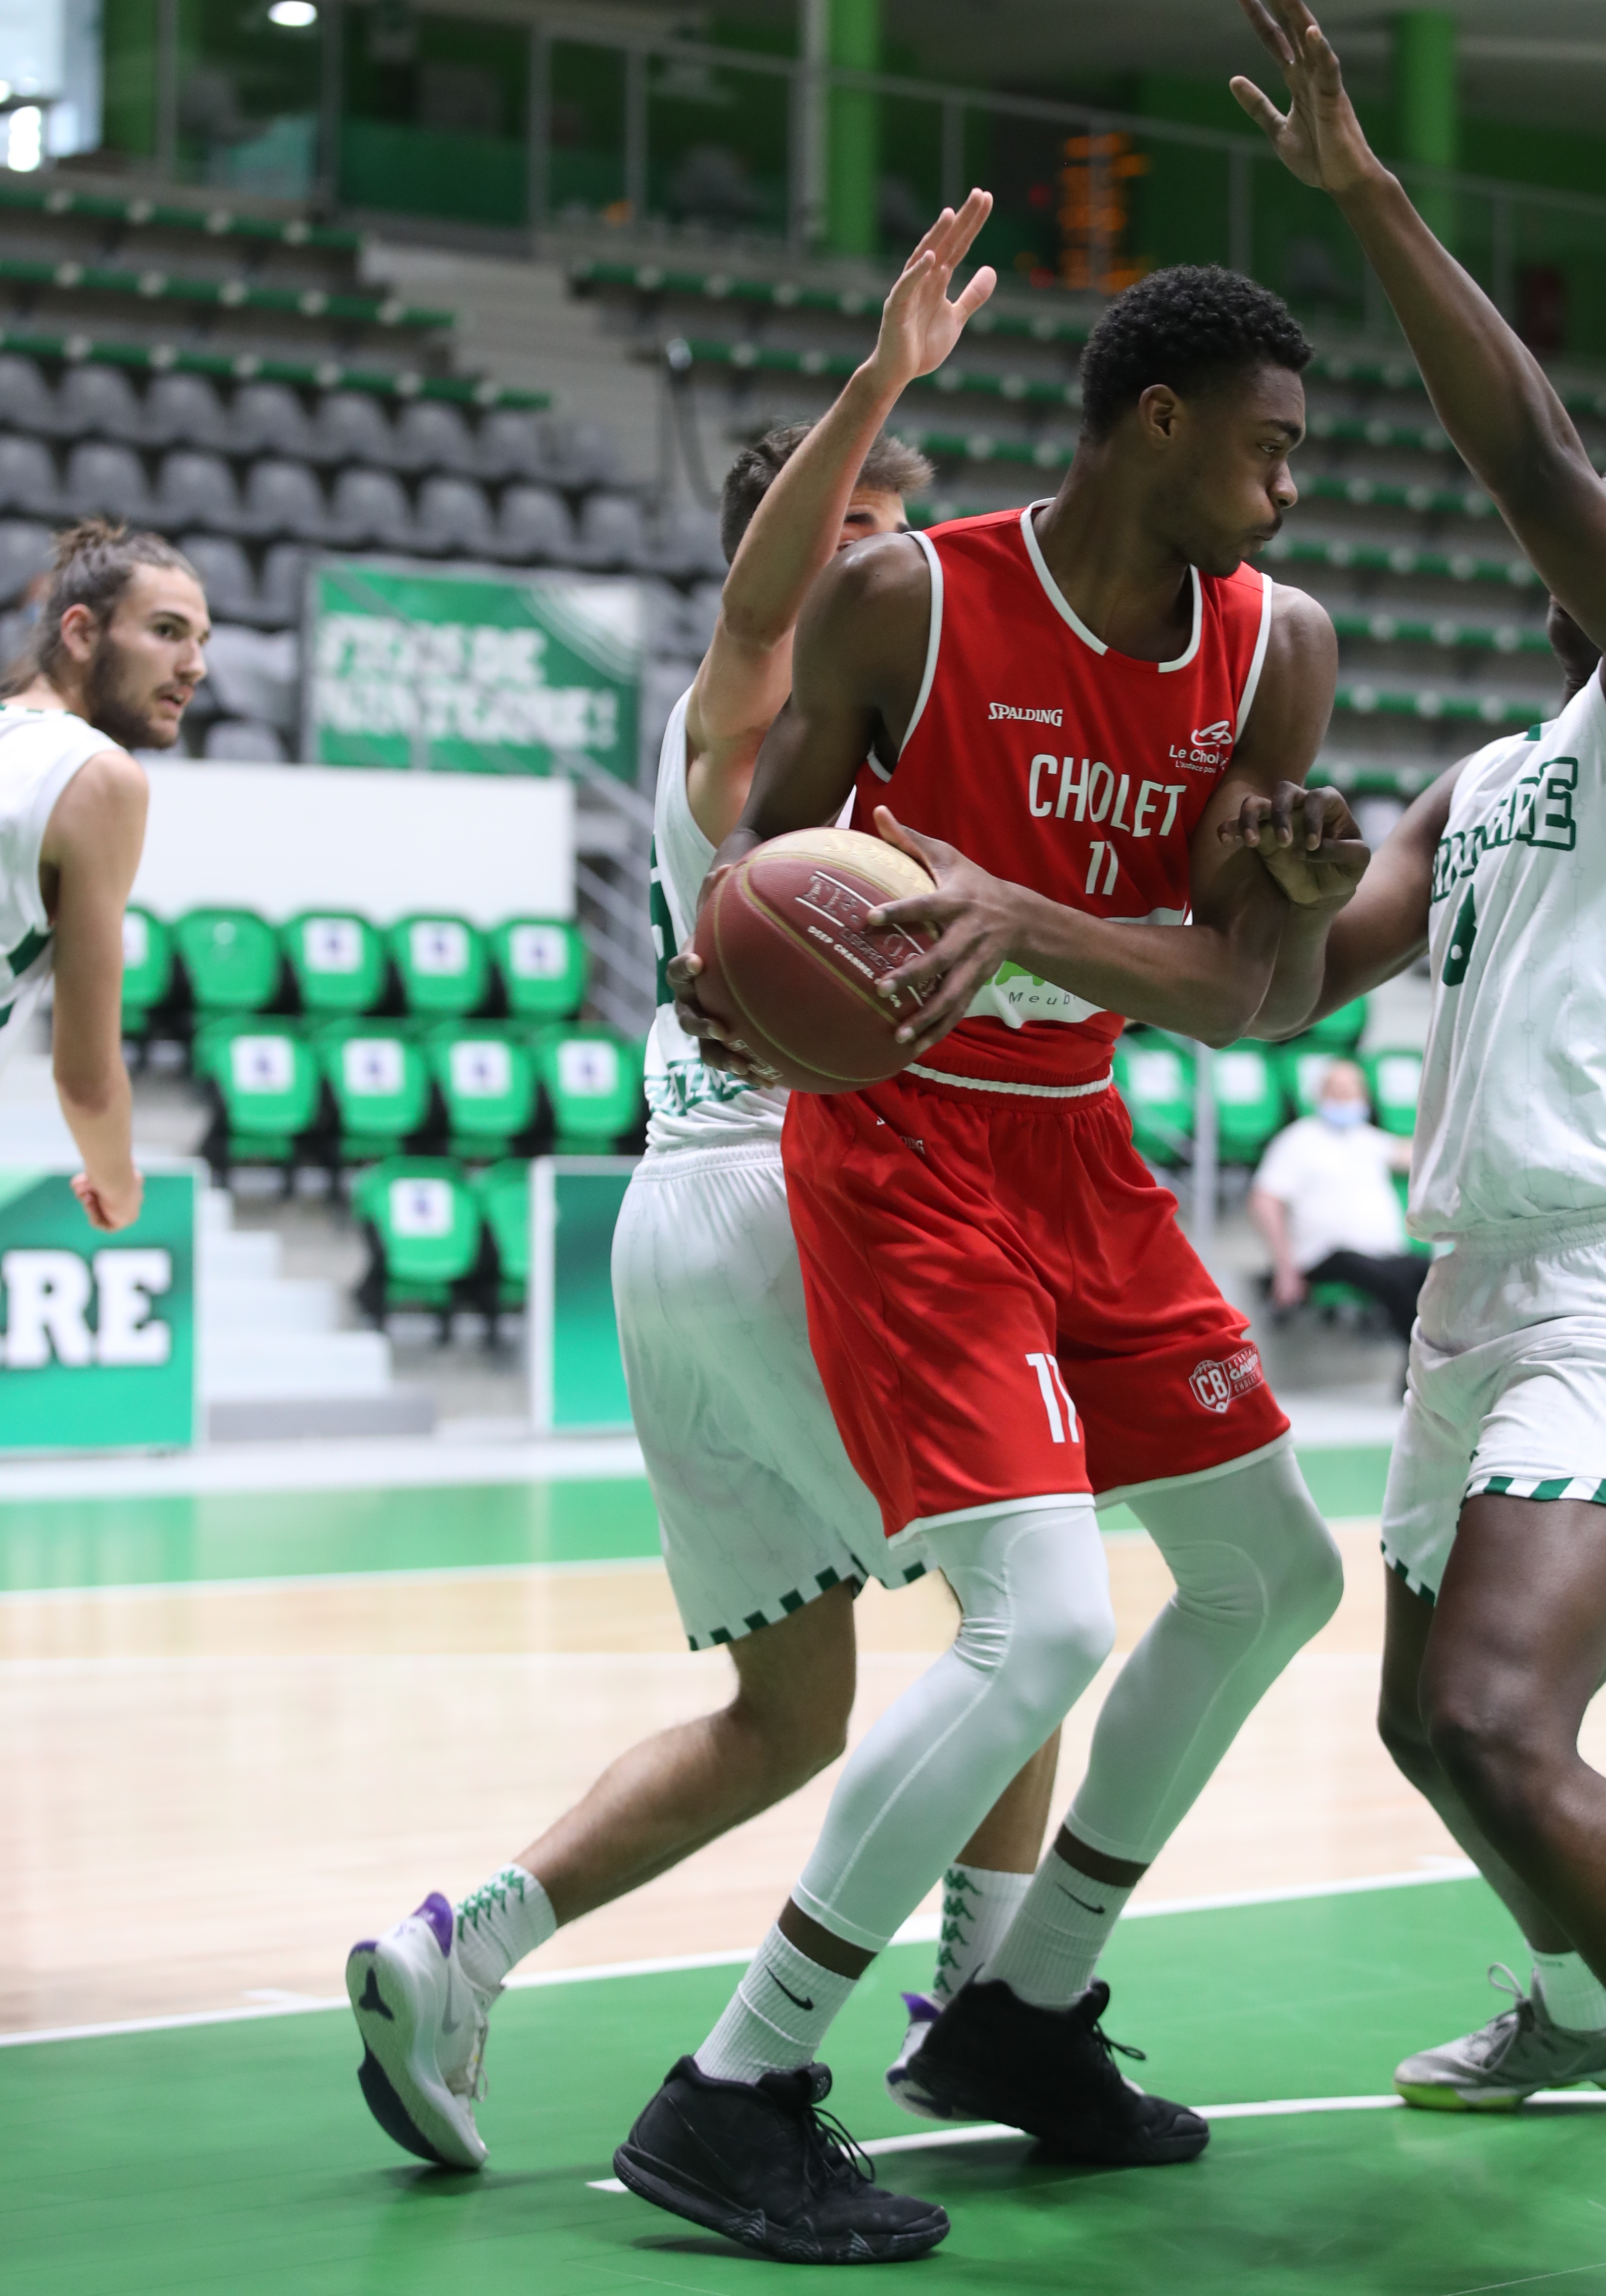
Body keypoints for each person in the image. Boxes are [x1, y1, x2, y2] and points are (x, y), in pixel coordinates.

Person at [614, 259, 1347, 2264]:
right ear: (1162, 422)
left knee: (1276, 1572)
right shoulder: (907, 600)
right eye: (1270, 446)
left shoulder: (1278, 650)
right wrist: (750, 987)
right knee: (1040, 1627)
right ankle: (736, 2086)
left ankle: (1028, 2013)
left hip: (1084, 1148)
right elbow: (760, 898)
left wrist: (1121, 914)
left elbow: (1238, 995)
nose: (1293, 489)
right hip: (909, 1151)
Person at [347, 196, 1058, 2177]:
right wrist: (879, 384)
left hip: (692, 1221)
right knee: (1041, 1614)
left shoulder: (890, 754)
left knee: (788, 1713)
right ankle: (974, 2019)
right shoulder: (744, 711)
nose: (903, 576)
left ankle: (457, 1948)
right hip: (789, 1217)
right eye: (869, 539)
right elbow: (764, 611)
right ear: (814, 541)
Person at [1222, 0, 1606, 2296]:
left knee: (1500, 1708)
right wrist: (1237, 888)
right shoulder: (1486, 777)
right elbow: (1287, 985)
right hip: (1473, 1294)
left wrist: (1360, 189)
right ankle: (1570, 2005)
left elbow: (1536, 461)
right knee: (1421, 1724)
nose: (1583, 536)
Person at [0, 519, 208, 1219]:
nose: (194, 665)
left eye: (202, 640)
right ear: (80, 633)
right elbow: (85, 1079)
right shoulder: (98, 779)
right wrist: (120, 1184)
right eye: (167, 631)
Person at [1249, 1055, 1424, 1344]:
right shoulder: (1298, 1139)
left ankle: (1422, 1367)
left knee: (1430, 1273)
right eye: (1337, 1090)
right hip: (1326, 1254)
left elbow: (1413, 1154)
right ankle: (1418, 1361)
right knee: (1397, 1284)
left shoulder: (1366, 1139)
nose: (1345, 1097)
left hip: (1381, 1253)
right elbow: (1264, 1200)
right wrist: (1285, 1267)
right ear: (1320, 1094)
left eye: (1353, 1090)